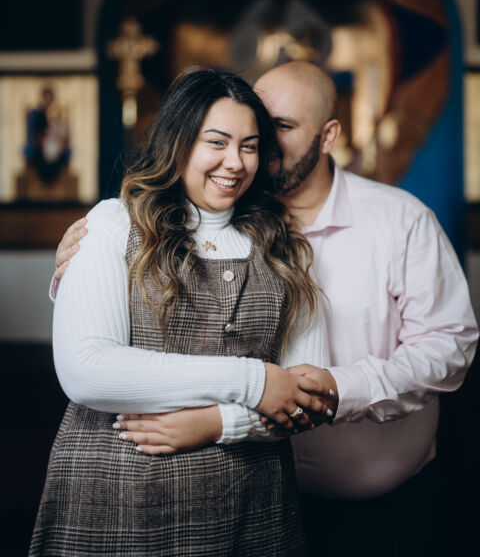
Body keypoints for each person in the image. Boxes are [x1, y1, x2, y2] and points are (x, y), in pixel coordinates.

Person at [54, 61, 478, 557]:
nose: (253, 149)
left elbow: (447, 346)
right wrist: (78, 276)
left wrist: (326, 391)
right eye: (232, 135)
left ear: (328, 135)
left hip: (366, 508)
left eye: (272, 131)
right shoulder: (146, 223)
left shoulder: (395, 221)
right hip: (218, 493)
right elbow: (91, 357)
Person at [31, 68, 335, 557]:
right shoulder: (114, 224)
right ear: (178, 141)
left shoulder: (286, 247)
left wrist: (222, 421)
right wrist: (255, 382)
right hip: (121, 499)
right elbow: (86, 370)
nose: (235, 162)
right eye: (216, 142)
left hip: (252, 507)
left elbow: (305, 397)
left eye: (250, 146)